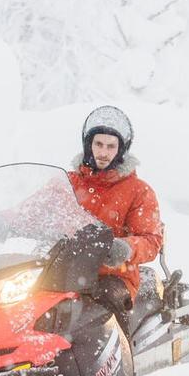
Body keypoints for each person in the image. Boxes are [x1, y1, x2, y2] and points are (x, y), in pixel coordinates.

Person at [67, 106, 163, 330]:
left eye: (111, 146)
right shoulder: (68, 182)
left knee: (106, 303)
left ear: (121, 150)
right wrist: (3, 221)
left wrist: (125, 248)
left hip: (112, 275)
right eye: (98, 144)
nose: (103, 152)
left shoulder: (139, 191)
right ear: (88, 144)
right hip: (65, 269)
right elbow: (36, 208)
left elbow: (151, 240)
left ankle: (123, 360)